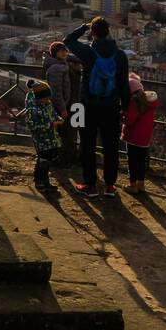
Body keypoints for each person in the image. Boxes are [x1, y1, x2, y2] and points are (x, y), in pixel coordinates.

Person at [64, 16, 130, 198]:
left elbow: (67, 41)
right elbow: (124, 85)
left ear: (93, 33)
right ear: (109, 32)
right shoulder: (120, 56)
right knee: (111, 146)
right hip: (111, 107)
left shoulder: (88, 52)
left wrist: (83, 27)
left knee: (87, 145)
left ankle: (91, 185)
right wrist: (125, 107)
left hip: (87, 105)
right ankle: (110, 186)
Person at [42, 39, 81, 161]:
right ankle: (61, 157)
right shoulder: (56, 68)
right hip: (61, 106)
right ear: (54, 53)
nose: (64, 53)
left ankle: (63, 156)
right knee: (63, 132)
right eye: (60, 51)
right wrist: (63, 108)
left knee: (66, 131)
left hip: (68, 103)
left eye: (65, 50)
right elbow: (56, 92)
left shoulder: (62, 63)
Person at [121, 73, 158, 194]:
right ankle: (141, 184)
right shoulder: (150, 103)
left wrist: (122, 115)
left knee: (132, 162)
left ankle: (133, 185)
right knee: (141, 162)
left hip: (133, 137)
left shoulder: (133, 103)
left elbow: (129, 121)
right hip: (145, 138)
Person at [23, 79, 61, 192]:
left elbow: (53, 114)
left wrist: (58, 119)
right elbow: (34, 127)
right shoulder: (32, 109)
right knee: (43, 160)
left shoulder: (47, 104)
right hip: (41, 139)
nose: (49, 99)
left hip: (51, 138)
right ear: (40, 97)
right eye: (46, 97)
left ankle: (45, 181)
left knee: (48, 160)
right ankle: (39, 181)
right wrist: (51, 124)